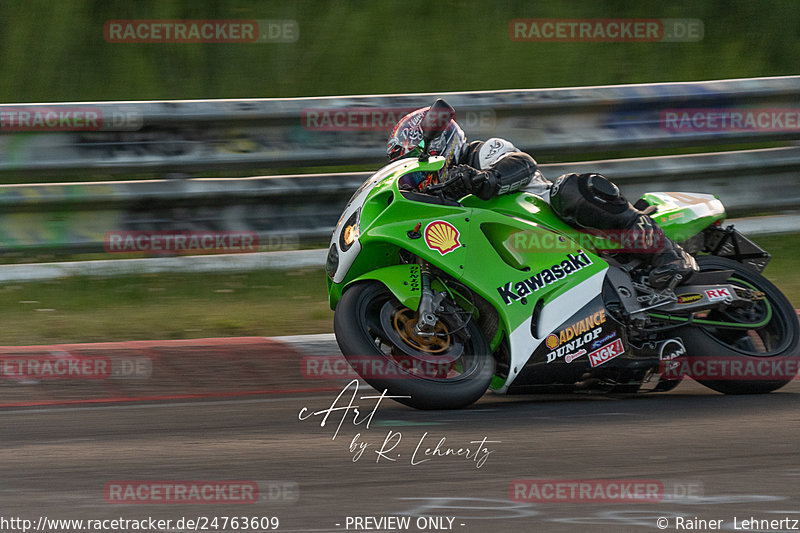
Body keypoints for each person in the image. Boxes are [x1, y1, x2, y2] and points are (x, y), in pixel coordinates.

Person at [386, 103, 697, 290]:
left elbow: (522, 164)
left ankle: (668, 253)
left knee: (571, 188)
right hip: (527, 266)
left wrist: (484, 180)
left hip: (556, 222)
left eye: (419, 162)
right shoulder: (442, 203)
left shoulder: (481, 153)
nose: (420, 174)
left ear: (441, 143)